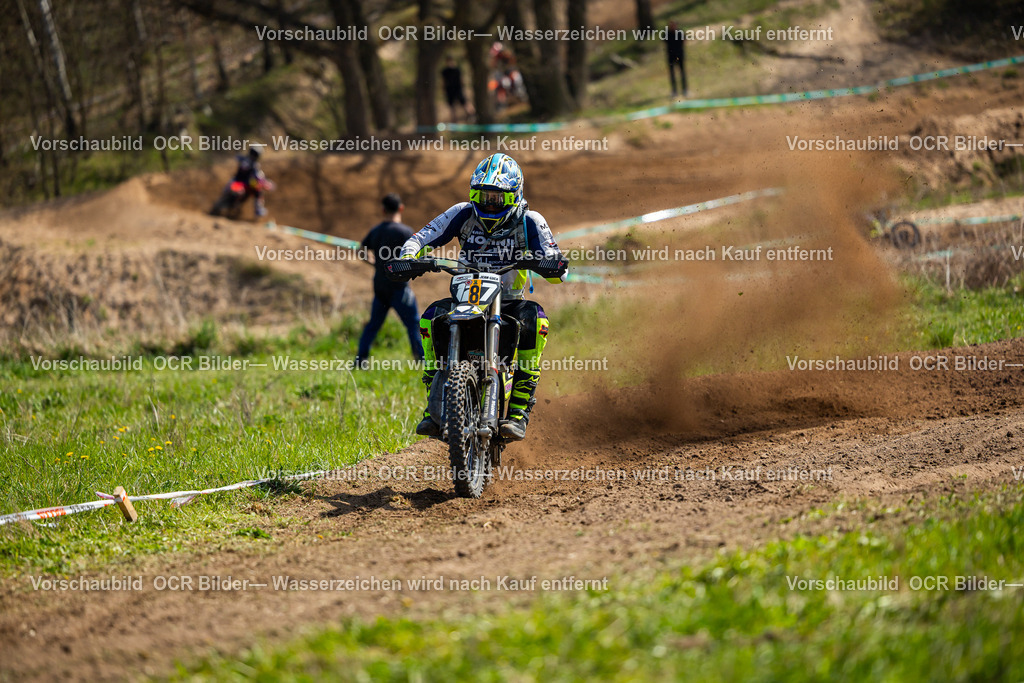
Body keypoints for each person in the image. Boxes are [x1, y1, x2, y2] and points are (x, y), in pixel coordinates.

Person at [398, 153, 567, 441]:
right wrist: (408, 257)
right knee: (429, 320)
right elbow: (423, 235)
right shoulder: (463, 213)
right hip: (466, 296)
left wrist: (550, 263)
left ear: (514, 196)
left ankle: (518, 410)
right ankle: (434, 403)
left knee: (535, 321)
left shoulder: (530, 221)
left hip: (509, 301)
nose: (489, 203)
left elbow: (556, 264)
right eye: (483, 195)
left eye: (496, 198)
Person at [355, 193, 425, 368]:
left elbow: (361, 250)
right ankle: (421, 360)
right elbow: (418, 254)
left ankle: (360, 360)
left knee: (373, 325)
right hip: (399, 288)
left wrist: (375, 264)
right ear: (401, 208)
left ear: (382, 210)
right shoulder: (406, 232)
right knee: (414, 324)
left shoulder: (376, 231)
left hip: (380, 287)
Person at [232, 145, 268, 216]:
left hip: (248, 183)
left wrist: (263, 182)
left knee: (258, 191)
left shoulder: (254, 164)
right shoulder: (245, 160)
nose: (254, 155)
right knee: (237, 191)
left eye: (255, 154)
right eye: (254, 153)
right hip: (238, 182)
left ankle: (258, 209)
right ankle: (258, 210)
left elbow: (259, 176)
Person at [441, 56, 473, 123]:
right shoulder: (445, 71)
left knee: (464, 104)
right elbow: (443, 82)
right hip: (450, 91)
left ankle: (471, 116)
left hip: (457, 90)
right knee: (452, 108)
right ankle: (454, 123)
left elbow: (461, 81)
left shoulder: (457, 70)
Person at [666, 20, 688, 97]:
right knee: (672, 74)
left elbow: (684, 41)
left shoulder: (680, 33)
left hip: (680, 55)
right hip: (671, 56)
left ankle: (685, 90)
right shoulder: (667, 34)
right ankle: (674, 91)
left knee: (682, 73)